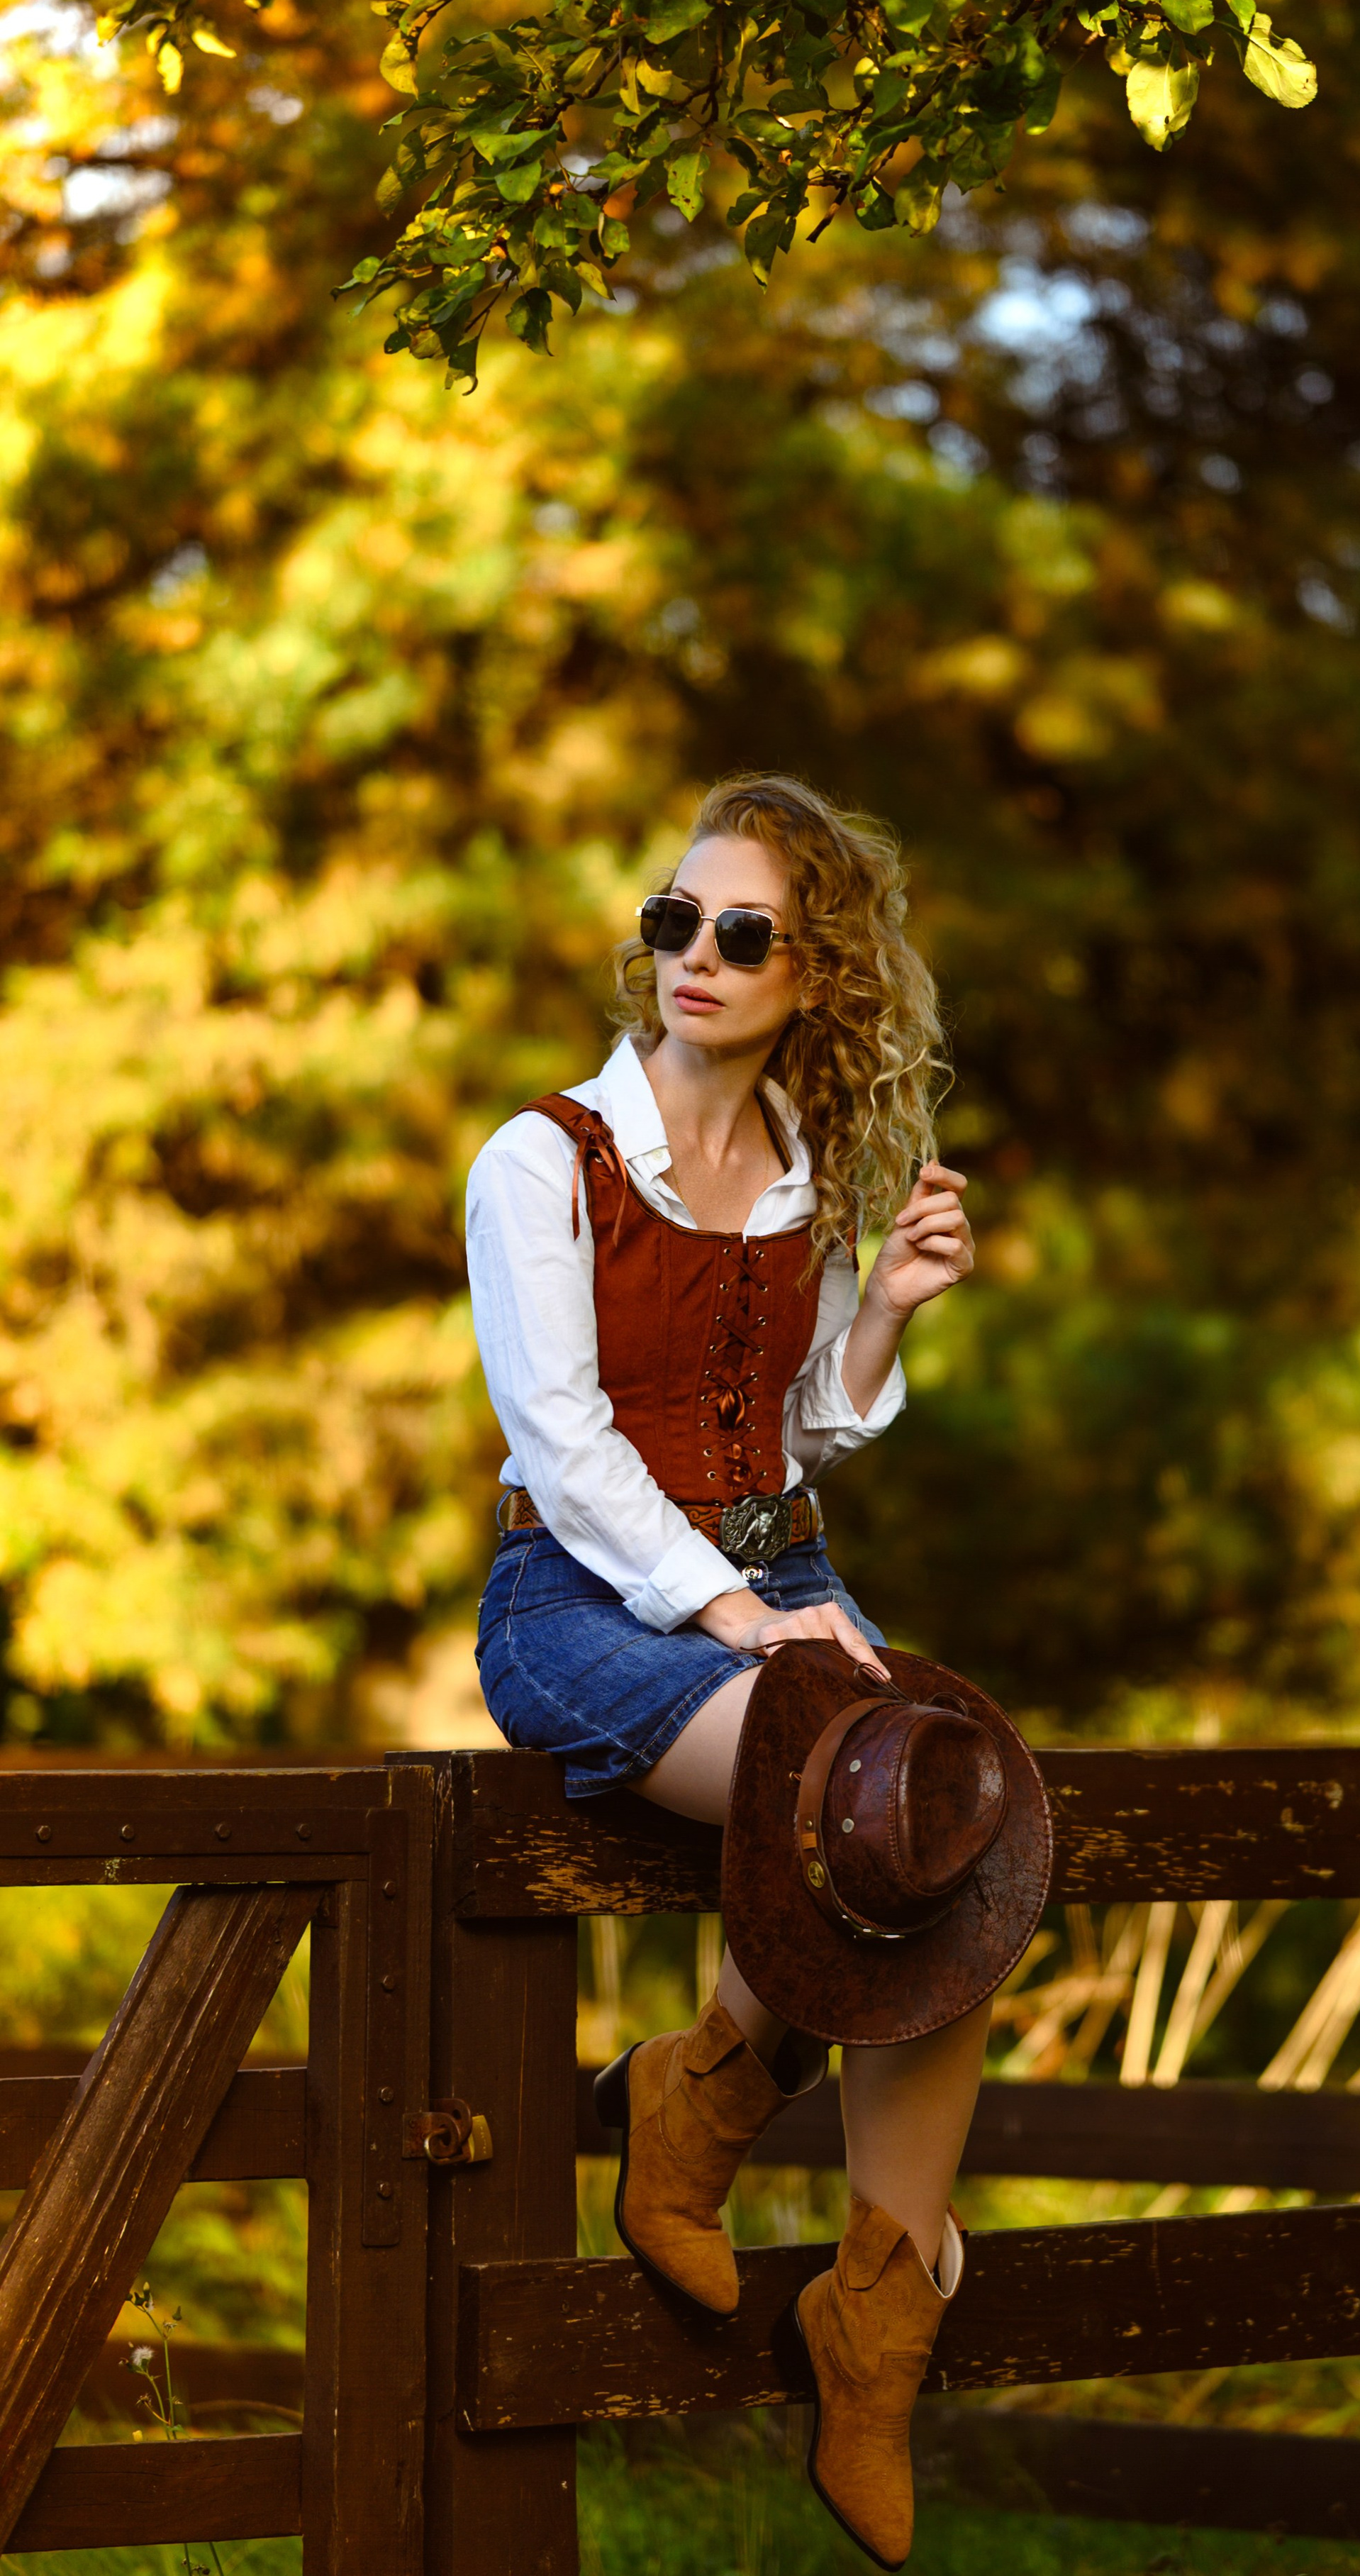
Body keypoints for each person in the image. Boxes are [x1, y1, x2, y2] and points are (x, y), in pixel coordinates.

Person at [466, 774, 983, 2568]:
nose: (694, 952)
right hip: (578, 1601)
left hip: (777, 1576)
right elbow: (563, 1442)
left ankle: (872, 2319)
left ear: (812, 970)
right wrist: (733, 1615)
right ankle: (696, 2106)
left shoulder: (808, 1170)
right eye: (673, 918)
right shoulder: (542, 1159)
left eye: (741, 931)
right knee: (845, 1772)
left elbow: (798, 1432)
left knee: (959, 1823)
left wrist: (883, 1308)